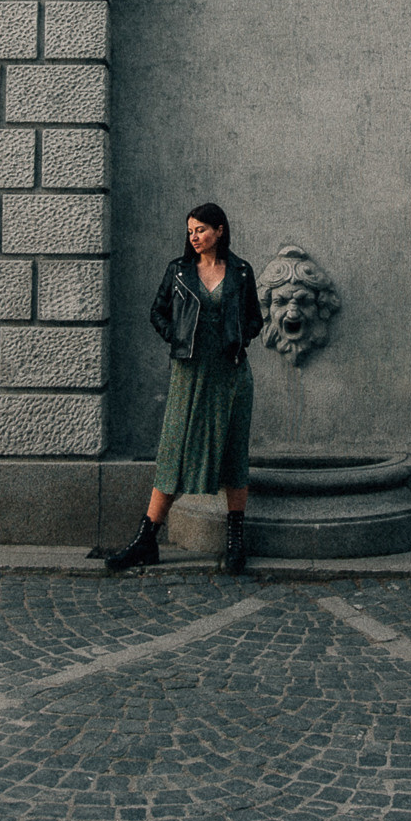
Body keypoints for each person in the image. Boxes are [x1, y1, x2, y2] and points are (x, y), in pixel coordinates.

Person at [105, 202, 264, 575]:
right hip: (187, 374)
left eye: (202, 230)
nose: (194, 237)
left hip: (231, 376)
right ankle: (147, 540)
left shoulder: (240, 272)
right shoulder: (178, 272)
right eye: (190, 231)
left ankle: (235, 539)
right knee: (173, 451)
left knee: (233, 452)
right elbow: (156, 312)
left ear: (220, 231)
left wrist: (241, 340)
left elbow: (255, 317)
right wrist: (175, 338)